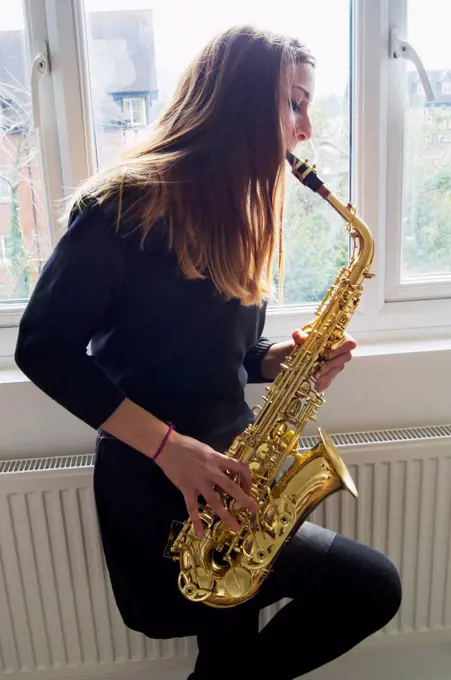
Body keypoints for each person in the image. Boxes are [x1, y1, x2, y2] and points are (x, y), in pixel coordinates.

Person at [15, 24, 402, 680]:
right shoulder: (122, 207)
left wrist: (277, 361)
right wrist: (170, 449)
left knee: (228, 654)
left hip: (231, 474)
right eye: (294, 102)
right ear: (241, 99)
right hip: (156, 480)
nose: (305, 128)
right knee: (370, 585)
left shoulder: (239, 214)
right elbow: (41, 348)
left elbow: (213, 349)